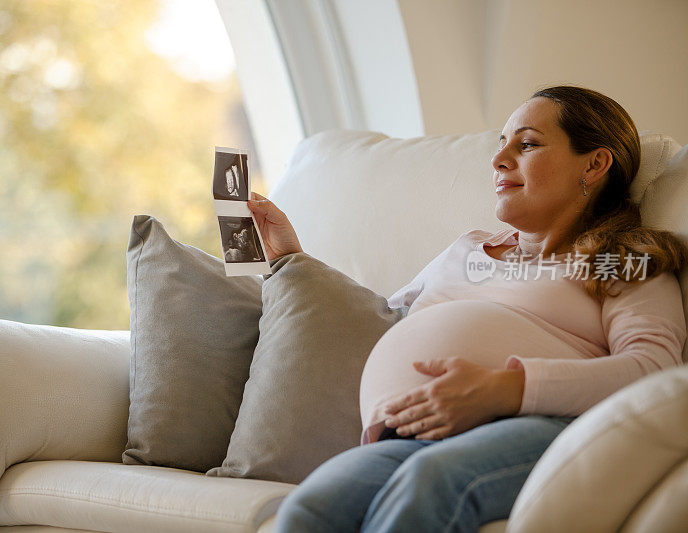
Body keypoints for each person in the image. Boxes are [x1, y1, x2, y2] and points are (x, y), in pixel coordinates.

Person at [246, 85, 688, 532]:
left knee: (431, 483)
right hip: (414, 435)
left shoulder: (627, 257)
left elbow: (656, 371)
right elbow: (375, 317)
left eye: (528, 144)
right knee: (308, 510)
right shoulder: (469, 250)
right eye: (501, 144)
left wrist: (505, 388)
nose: (499, 160)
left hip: (542, 424)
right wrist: (290, 262)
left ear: (594, 164)